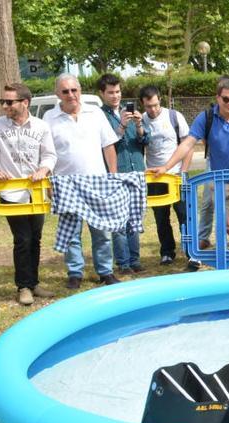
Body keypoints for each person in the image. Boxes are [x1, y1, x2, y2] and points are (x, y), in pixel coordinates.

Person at [149, 76, 229, 255]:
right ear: (217, 98)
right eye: (226, 99)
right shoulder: (206, 117)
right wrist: (166, 167)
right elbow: (188, 143)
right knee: (227, 224)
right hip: (220, 181)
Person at [0, 83, 57, 304]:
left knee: (36, 238)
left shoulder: (41, 126)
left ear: (25, 103)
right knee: (22, 239)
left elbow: (50, 155)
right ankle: (23, 286)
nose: (5, 106)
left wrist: (43, 170)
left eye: (9, 102)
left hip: (36, 193)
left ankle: (34, 283)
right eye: (2, 101)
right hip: (12, 193)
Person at [44, 74, 120, 288]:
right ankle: (74, 273)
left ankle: (105, 272)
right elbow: (46, 154)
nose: (71, 95)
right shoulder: (49, 118)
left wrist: (112, 177)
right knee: (71, 233)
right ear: (58, 93)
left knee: (102, 232)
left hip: (97, 183)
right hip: (65, 185)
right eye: (65, 91)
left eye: (74, 90)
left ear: (79, 90)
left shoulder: (95, 113)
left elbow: (108, 146)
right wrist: (50, 184)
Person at [97, 74, 148, 275]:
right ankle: (123, 263)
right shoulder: (99, 116)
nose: (115, 96)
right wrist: (122, 127)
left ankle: (135, 260)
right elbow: (105, 144)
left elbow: (144, 141)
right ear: (101, 94)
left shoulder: (132, 112)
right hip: (116, 173)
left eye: (117, 91)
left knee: (135, 219)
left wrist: (139, 125)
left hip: (137, 173)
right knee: (118, 221)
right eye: (110, 92)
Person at [139, 85, 191, 266]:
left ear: (160, 99)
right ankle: (167, 252)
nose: (152, 109)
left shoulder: (174, 116)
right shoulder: (141, 121)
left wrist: (184, 171)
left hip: (176, 174)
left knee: (184, 215)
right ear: (142, 105)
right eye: (148, 106)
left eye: (155, 105)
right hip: (154, 177)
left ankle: (191, 250)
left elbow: (188, 144)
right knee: (161, 218)